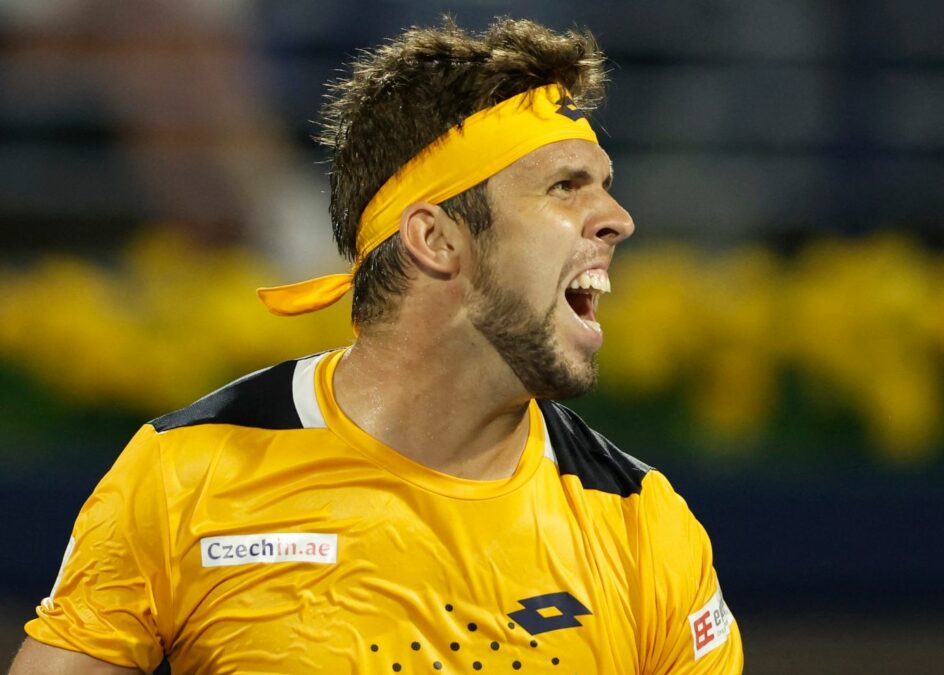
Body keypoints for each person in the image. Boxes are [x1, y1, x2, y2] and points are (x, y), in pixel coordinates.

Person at [9, 18, 742, 674]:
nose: (617, 218)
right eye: (564, 187)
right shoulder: (183, 477)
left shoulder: (644, 524)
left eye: (604, 186)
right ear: (434, 239)